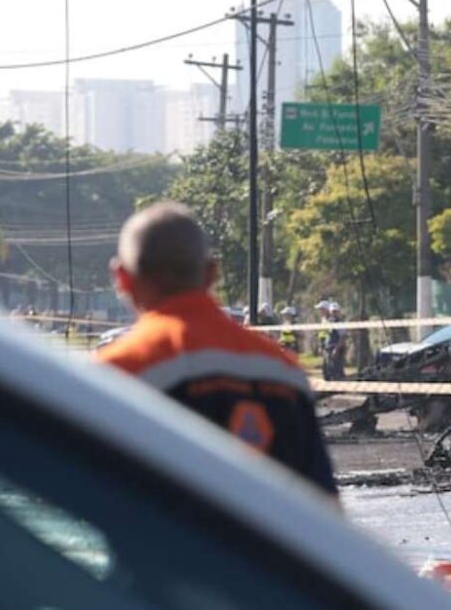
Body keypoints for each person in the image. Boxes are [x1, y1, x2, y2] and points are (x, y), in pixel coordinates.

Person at [95, 202, 337, 497]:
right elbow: (324, 509)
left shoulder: (115, 375)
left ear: (122, 278)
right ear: (211, 273)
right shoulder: (285, 372)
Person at [324, 302, 347, 380]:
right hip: (329, 349)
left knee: (337, 371)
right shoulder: (329, 322)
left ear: (338, 312)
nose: (334, 313)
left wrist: (336, 349)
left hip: (337, 349)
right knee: (329, 370)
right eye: (332, 311)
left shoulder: (340, 323)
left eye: (335, 311)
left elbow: (342, 337)